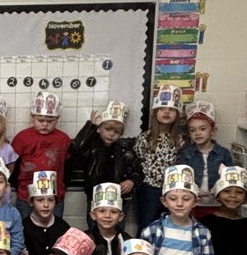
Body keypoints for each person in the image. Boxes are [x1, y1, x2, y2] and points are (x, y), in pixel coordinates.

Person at [66, 101, 142, 223]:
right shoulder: (92, 146)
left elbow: (137, 169)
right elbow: (76, 148)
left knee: (117, 228)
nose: (111, 134)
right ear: (99, 129)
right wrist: (90, 127)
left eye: (116, 132)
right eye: (107, 129)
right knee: (94, 226)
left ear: (121, 134)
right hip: (95, 195)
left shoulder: (125, 149)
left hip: (119, 197)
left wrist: (132, 180)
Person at [140, 165, 214, 255]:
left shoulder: (203, 234)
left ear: (195, 202)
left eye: (186, 199)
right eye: (173, 199)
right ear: (164, 202)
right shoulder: (151, 231)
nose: (179, 203)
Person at [11, 91, 69, 219]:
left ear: (57, 120)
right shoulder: (22, 138)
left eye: (50, 121)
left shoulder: (63, 139)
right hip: (26, 195)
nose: (44, 124)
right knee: (26, 230)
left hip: (54, 196)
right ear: (32, 117)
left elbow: (68, 165)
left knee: (55, 231)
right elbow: (12, 166)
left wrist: (62, 187)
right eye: (40, 120)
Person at [134, 84, 185, 227]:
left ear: (177, 114)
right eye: (162, 109)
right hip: (149, 189)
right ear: (155, 112)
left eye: (171, 110)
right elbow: (138, 160)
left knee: (169, 225)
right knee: (146, 224)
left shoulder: (180, 140)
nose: (166, 112)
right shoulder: (145, 138)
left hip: (171, 189)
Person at [177, 101, 234, 215]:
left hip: (217, 204)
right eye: (192, 130)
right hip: (192, 204)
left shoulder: (223, 153)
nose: (197, 133)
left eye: (202, 129)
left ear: (213, 130)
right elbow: (180, 178)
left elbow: (230, 179)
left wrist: (218, 189)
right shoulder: (185, 153)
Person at [22, 170, 70, 255]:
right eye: (40, 200)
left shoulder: (63, 227)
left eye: (50, 200)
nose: (46, 205)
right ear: (31, 202)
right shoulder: (24, 226)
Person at [84, 182, 131, 255]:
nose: (107, 216)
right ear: (93, 214)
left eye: (113, 212)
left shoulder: (126, 240)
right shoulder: (84, 239)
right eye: (102, 211)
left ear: (120, 217)